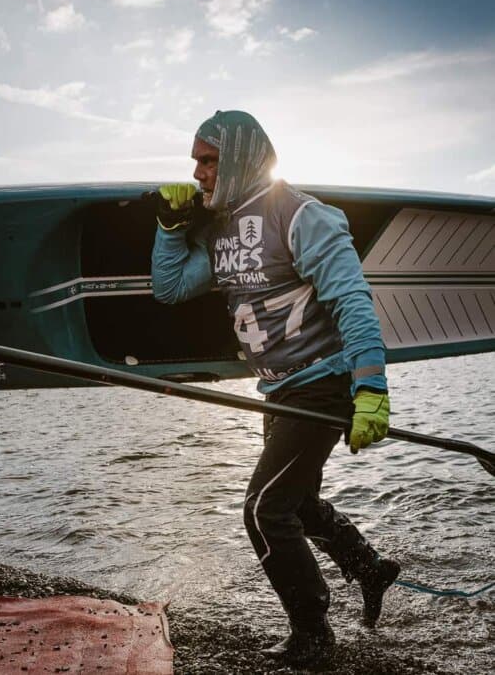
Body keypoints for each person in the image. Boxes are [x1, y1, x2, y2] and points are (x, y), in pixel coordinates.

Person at [151, 110, 400, 668]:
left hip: (323, 385)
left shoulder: (301, 215)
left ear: (238, 156)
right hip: (279, 391)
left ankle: (313, 632)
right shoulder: (217, 230)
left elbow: (353, 302)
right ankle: (371, 569)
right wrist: (169, 229)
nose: (197, 173)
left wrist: (370, 389)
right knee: (297, 505)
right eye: (194, 161)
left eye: (207, 160)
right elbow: (169, 289)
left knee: (264, 510)